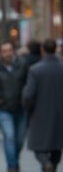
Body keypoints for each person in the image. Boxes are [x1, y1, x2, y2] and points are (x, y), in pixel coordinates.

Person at [0, 41, 27, 172]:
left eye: (9, 50)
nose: (8, 53)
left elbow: (28, 83)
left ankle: (14, 159)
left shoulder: (22, 64)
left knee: (19, 140)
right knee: (9, 136)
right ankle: (12, 166)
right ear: (0, 53)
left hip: (20, 107)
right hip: (3, 108)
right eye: (4, 51)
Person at [23, 39, 63, 172]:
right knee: (57, 146)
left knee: (39, 147)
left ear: (42, 50)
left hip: (40, 113)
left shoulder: (36, 70)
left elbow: (28, 95)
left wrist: (27, 110)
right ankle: (51, 165)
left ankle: (46, 163)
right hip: (59, 113)